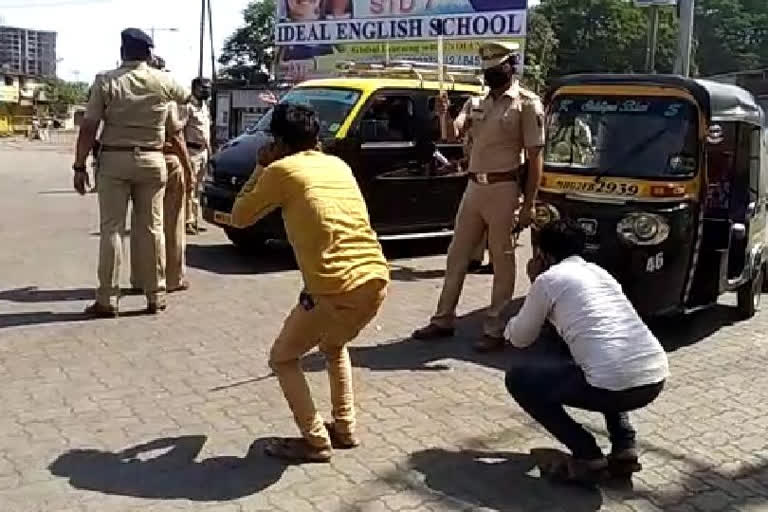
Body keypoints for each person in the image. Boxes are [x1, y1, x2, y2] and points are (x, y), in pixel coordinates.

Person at [230, 103, 390, 463]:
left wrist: (260, 165)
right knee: (334, 345)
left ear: (279, 142)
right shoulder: (338, 165)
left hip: (334, 289)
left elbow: (239, 217)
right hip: (375, 278)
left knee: (283, 358)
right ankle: (345, 427)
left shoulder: (282, 170)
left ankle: (316, 440)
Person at [503, 220, 669, 484]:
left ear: (542, 254)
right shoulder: (599, 273)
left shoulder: (548, 280)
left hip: (611, 386)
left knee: (518, 380)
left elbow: (521, 339)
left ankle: (588, 455)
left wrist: (533, 285)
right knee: (600, 359)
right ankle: (624, 446)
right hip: (654, 378)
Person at [412, 41, 545, 352]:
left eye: (497, 68)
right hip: (473, 187)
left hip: (504, 188)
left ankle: (495, 327)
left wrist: (528, 204)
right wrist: (444, 115)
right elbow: (450, 135)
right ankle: (443, 318)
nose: (491, 75)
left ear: (512, 66)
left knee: (502, 259)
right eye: (487, 70)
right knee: (457, 254)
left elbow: (535, 157)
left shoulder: (527, 104)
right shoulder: (475, 103)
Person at [72, 28, 189, 317]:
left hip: (114, 161)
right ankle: (156, 294)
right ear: (149, 53)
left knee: (111, 229)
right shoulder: (163, 80)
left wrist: (79, 165)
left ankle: (108, 298)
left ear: (122, 51)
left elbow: (88, 127)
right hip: (152, 161)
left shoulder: (106, 81)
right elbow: (186, 100)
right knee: (153, 229)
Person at [130, 56, 194, 295]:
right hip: (165, 160)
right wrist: (188, 170)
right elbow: (176, 136)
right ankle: (172, 277)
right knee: (171, 223)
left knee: (140, 223)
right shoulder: (164, 96)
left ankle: (140, 278)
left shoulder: (127, 95)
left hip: (136, 162)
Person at [183, 77, 212, 235]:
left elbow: (206, 133)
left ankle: (194, 220)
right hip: (191, 152)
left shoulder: (205, 107)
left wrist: (210, 152)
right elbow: (180, 131)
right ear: (194, 88)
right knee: (189, 188)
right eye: (203, 88)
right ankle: (187, 222)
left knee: (198, 190)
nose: (207, 91)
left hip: (203, 153)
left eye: (208, 88)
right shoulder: (188, 107)